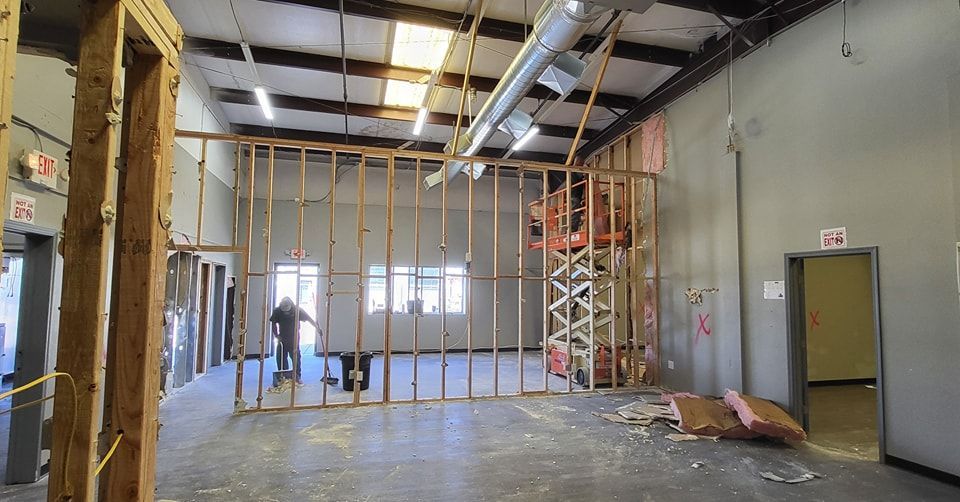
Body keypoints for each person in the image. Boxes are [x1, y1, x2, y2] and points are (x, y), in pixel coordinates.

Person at [269, 297, 318, 385]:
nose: (286, 312)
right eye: (284, 311)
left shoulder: (297, 310)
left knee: (296, 357)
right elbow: (273, 324)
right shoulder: (277, 311)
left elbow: (309, 319)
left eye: (287, 310)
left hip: (294, 337)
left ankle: (297, 376)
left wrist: (317, 328)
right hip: (282, 337)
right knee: (281, 357)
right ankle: (283, 376)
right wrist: (276, 335)